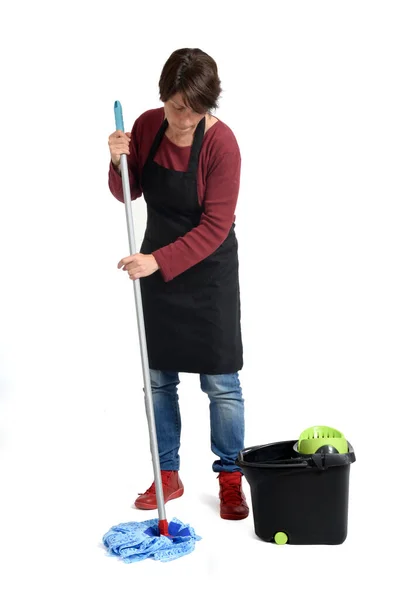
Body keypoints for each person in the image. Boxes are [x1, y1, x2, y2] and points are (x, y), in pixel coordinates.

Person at [108, 48, 248, 520]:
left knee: (222, 383)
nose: (184, 117)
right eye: (176, 105)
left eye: (195, 108)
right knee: (158, 379)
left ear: (210, 104)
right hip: (158, 268)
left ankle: (231, 476)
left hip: (207, 274)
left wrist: (156, 262)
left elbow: (214, 226)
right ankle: (168, 473)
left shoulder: (221, 145)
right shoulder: (147, 126)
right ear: (163, 96)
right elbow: (127, 192)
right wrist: (117, 163)